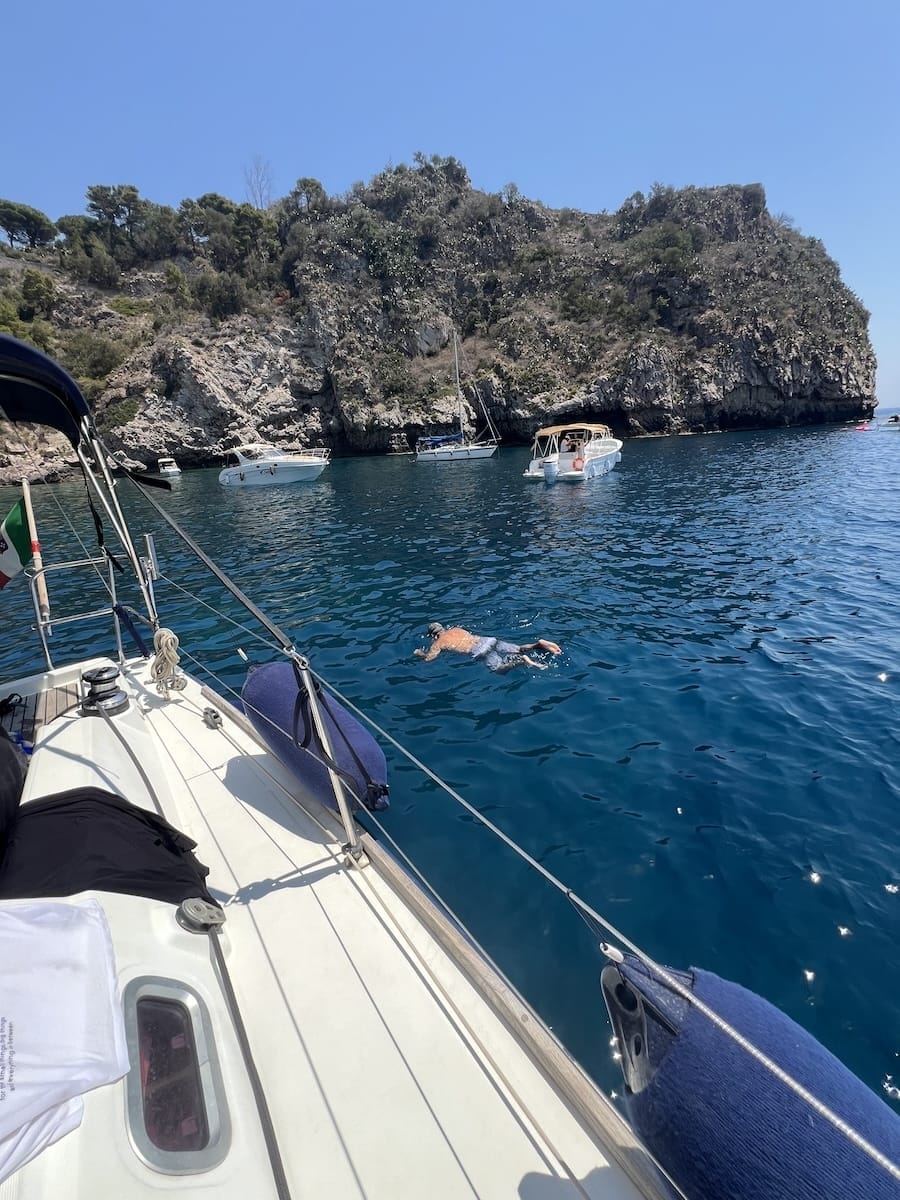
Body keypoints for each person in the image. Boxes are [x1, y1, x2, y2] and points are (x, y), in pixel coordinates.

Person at [414, 622, 562, 673]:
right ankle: (538, 644)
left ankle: (523, 661)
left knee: (499, 669)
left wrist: (420, 654)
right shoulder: (456, 629)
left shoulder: (438, 643)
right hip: (487, 640)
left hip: (478, 651)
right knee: (518, 649)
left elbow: (429, 659)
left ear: (433, 635)